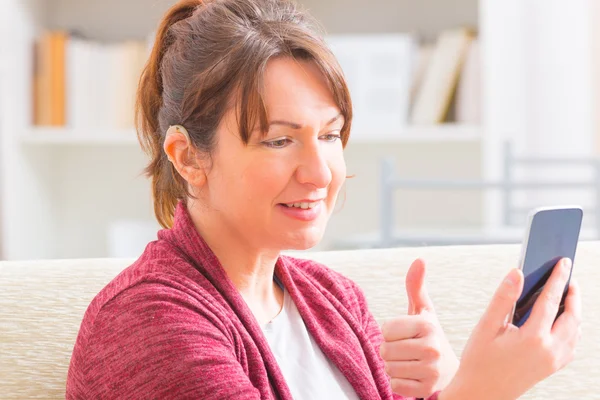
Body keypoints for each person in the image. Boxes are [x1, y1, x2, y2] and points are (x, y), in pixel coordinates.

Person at [66, 0, 582, 398]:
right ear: (187, 156)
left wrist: (445, 381)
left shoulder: (333, 300)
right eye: (278, 140)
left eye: (331, 136)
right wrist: (480, 391)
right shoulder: (144, 324)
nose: (319, 173)